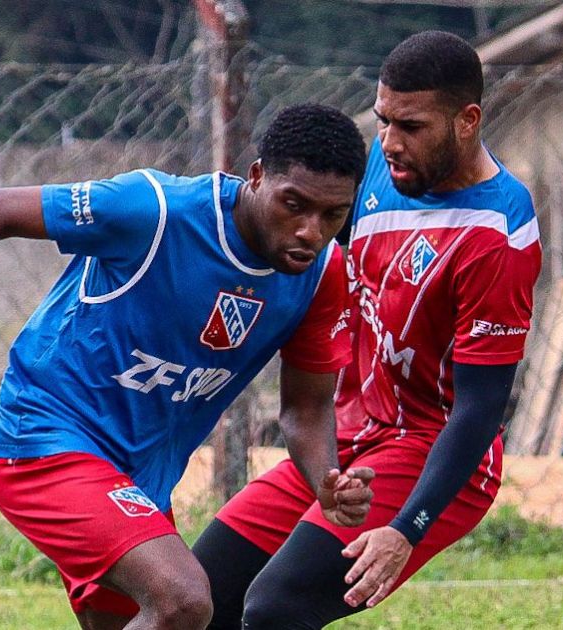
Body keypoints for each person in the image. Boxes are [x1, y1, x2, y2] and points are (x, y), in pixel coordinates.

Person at [0, 103, 376, 630]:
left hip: (140, 479)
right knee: (183, 599)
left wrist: (325, 479)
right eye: (293, 204)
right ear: (255, 176)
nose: (310, 230)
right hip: (45, 440)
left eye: (332, 214)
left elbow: (305, 409)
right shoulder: (155, 211)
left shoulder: (322, 276)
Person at [193, 31, 543, 629]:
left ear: (468, 120)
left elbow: (481, 410)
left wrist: (405, 530)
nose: (389, 142)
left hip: (430, 448)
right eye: (383, 120)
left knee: (278, 608)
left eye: (411, 126)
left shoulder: (497, 234)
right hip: (353, 437)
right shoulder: (381, 168)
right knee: (201, 592)